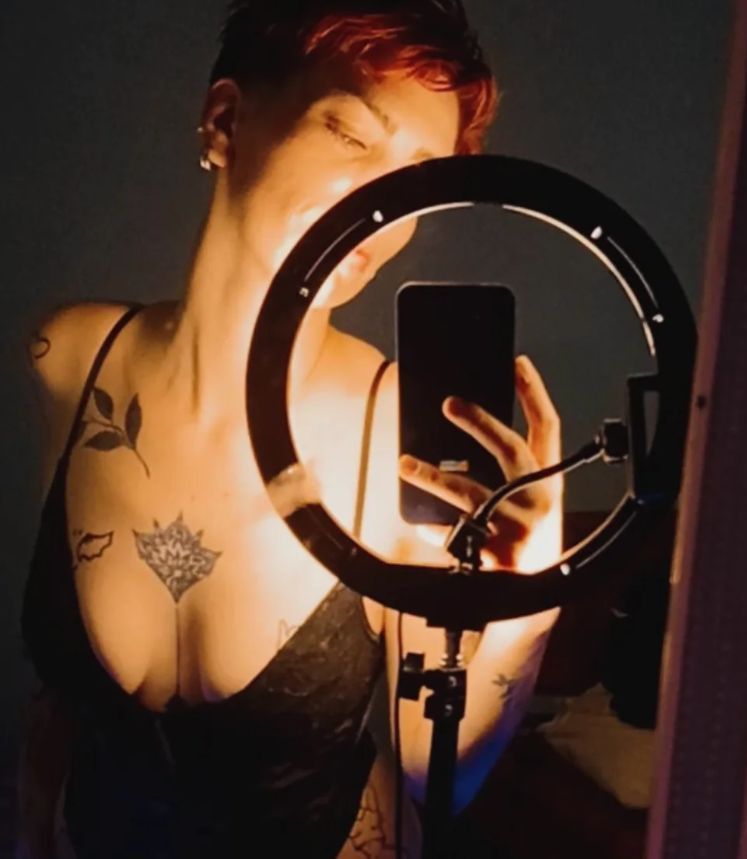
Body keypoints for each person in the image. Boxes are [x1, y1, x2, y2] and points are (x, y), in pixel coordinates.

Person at [18, 1, 564, 856]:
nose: (384, 204)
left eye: (419, 176)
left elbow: (438, 771)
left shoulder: (398, 440)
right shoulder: (69, 356)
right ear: (225, 121)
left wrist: (527, 604)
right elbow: (62, 698)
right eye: (350, 134)